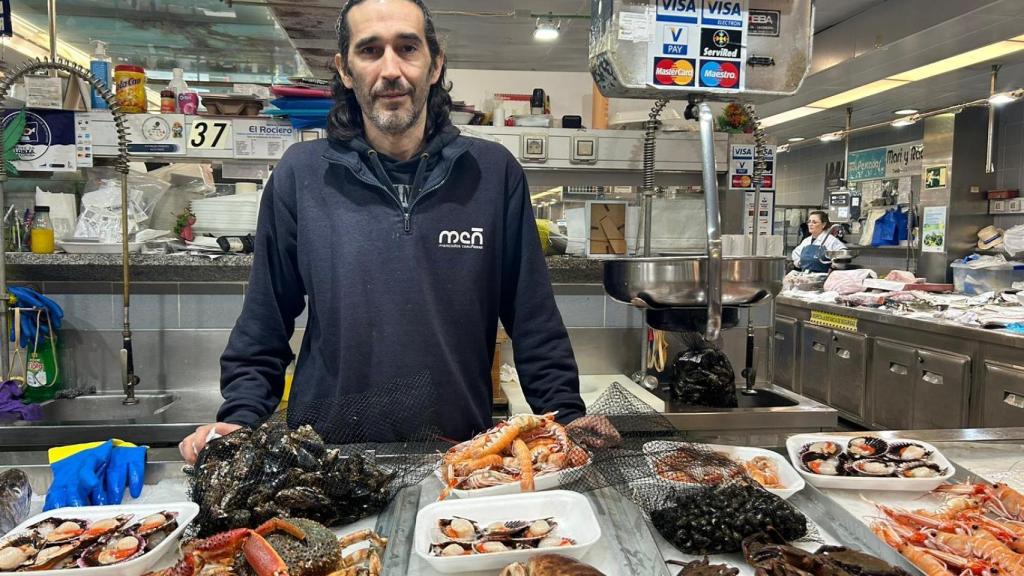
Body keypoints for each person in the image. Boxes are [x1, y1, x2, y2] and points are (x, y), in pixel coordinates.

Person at [179, 0, 597, 463]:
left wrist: (564, 418)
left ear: (434, 64)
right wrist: (239, 418)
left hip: (458, 460)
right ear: (344, 69)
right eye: (370, 50)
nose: (391, 69)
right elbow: (264, 322)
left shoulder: (493, 175)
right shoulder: (301, 175)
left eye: (407, 48)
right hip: (324, 461)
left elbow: (534, 319)